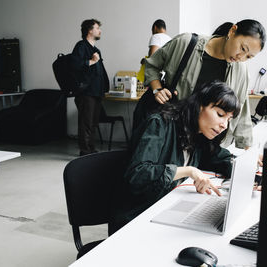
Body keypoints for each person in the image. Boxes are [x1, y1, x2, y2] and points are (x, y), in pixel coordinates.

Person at [109, 81, 240, 234]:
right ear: (199, 106)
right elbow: (138, 174)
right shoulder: (159, 123)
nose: (224, 125)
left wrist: (249, 175)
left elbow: (220, 158)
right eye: (220, 114)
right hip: (135, 218)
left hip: (164, 210)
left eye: (229, 119)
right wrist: (188, 171)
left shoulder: (199, 135)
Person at [141, 19, 266, 149]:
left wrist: (248, 153)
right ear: (232, 31)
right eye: (243, 48)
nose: (241, 57)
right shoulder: (185, 43)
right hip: (170, 135)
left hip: (205, 146)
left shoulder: (241, 69)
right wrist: (157, 89)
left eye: (249, 56)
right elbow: (151, 65)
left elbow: (241, 109)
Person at [71, 19, 109, 156]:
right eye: (97, 28)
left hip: (97, 92)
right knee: (86, 122)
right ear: (89, 30)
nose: (100, 30)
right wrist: (91, 61)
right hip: (86, 92)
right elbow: (74, 65)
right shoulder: (81, 46)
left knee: (93, 123)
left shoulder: (96, 49)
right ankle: (85, 151)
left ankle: (91, 149)